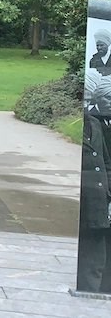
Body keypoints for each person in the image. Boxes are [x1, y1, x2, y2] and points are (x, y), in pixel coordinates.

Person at [78, 77, 111, 293]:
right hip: (86, 200)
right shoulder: (86, 124)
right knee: (91, 255)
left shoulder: (95, 124)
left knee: (99, 255)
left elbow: (104, 163)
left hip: (100, 200)